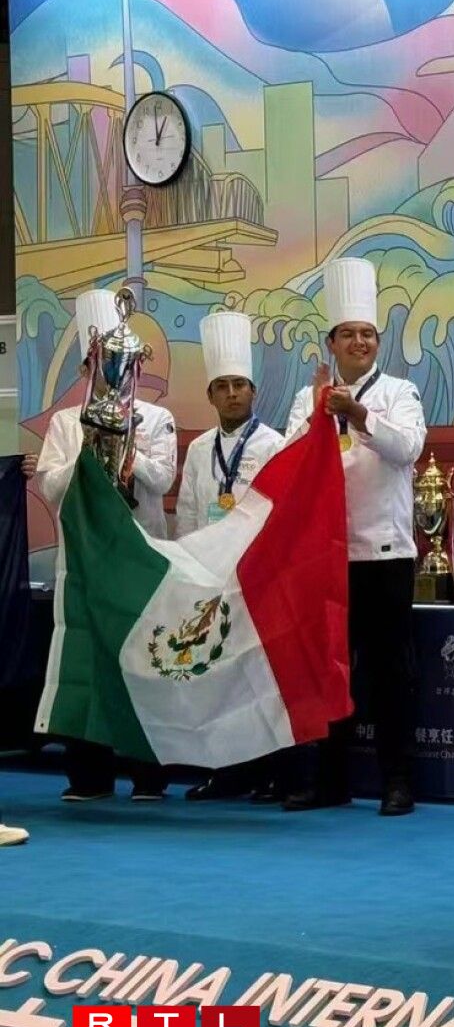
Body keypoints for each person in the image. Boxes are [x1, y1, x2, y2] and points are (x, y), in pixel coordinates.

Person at [283, 257, 427, 817]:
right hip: (326, 555)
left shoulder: (399, 392)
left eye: (368, 333)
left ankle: (397, 781)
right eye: (349, 334)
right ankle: (331, 780)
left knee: (392, 674)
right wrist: (320, 415)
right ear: (332, 342)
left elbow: (407, 448)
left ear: (377, 342)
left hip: (385, 553)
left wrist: (358, 415)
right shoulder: (308, 397)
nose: (359, 342)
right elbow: (290, 460)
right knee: (329, 670)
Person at [32, 287, 176, 803]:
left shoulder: (156, 419)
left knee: (143, 658)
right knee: (85, 661)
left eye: (125, 361)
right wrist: (91, 451)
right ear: (87, 363)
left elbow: (163, 479)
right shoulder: (65, 423)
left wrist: (126, 450)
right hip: (83, 557)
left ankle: (148, 774)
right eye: (104, 359)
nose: (115, 369)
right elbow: (50, 485)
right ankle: (88, 775)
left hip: (139, 552)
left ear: (138, 365)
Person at [175, 309, 287, 804]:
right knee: (216, 675)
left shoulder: (273, 444)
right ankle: (224, 772)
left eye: (240, 385)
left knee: (259, 676)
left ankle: (270, 774)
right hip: (211, 575)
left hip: (257, 574)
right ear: (211, 396)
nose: (232, 393)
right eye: (222, 386)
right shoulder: (200, 449)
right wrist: (190, 566)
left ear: (253, 391)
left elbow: (278, 512)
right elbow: (188, 511)